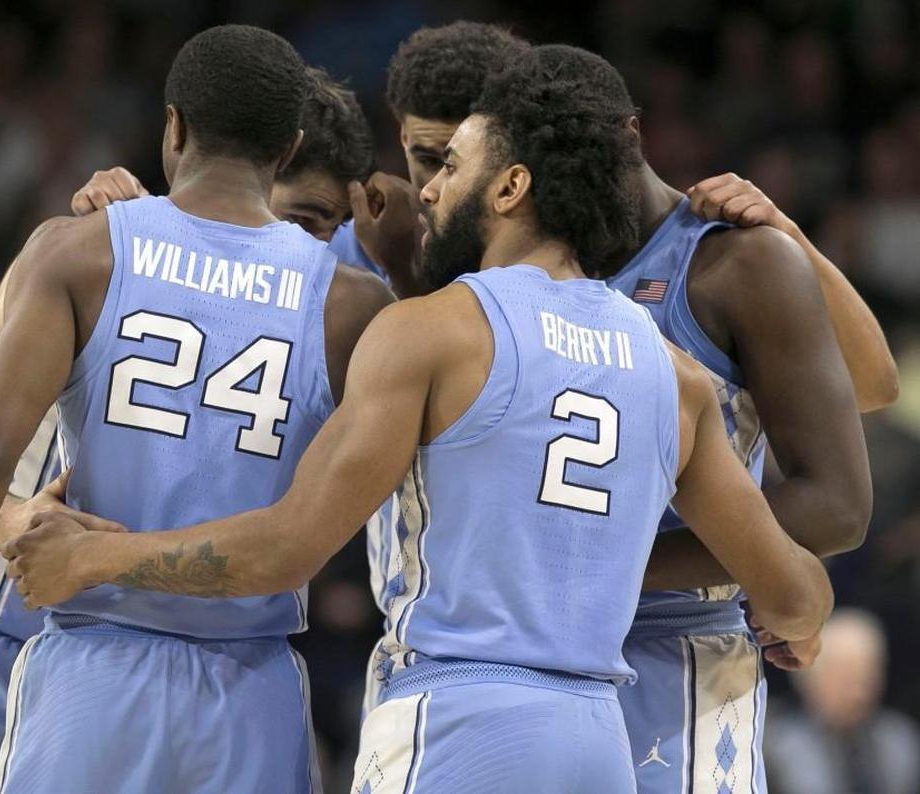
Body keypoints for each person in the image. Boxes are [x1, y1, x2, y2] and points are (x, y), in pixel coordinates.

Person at [5, 45, 833, 793]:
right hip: (597, 741)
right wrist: (793, 622)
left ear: (511, 188)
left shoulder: (431, 332)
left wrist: (94, 555)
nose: (426, 188)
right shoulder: (674, 374)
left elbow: (288, 547)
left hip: (458, 721)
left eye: (453, 165)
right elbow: (797, 589)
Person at [0, 24, 392, 793]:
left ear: (173, 126)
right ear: (287, 150)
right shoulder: (355, 305)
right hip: (248, 679)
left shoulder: (81, 250)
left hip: (91, 662)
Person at [359, 26, 893, 791]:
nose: (437, 189)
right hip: (484, 659)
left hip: (676, 654)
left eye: (452, 159)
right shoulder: (462, 273)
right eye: (428, 159)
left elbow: (853, 448)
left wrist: (600, 566)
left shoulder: (728, 257)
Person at [765, 609, 920, 794]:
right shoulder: (773, 744)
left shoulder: (901, 740)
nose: (858, 693)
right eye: (844, 677)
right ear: (808, 676)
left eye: (867, 675)